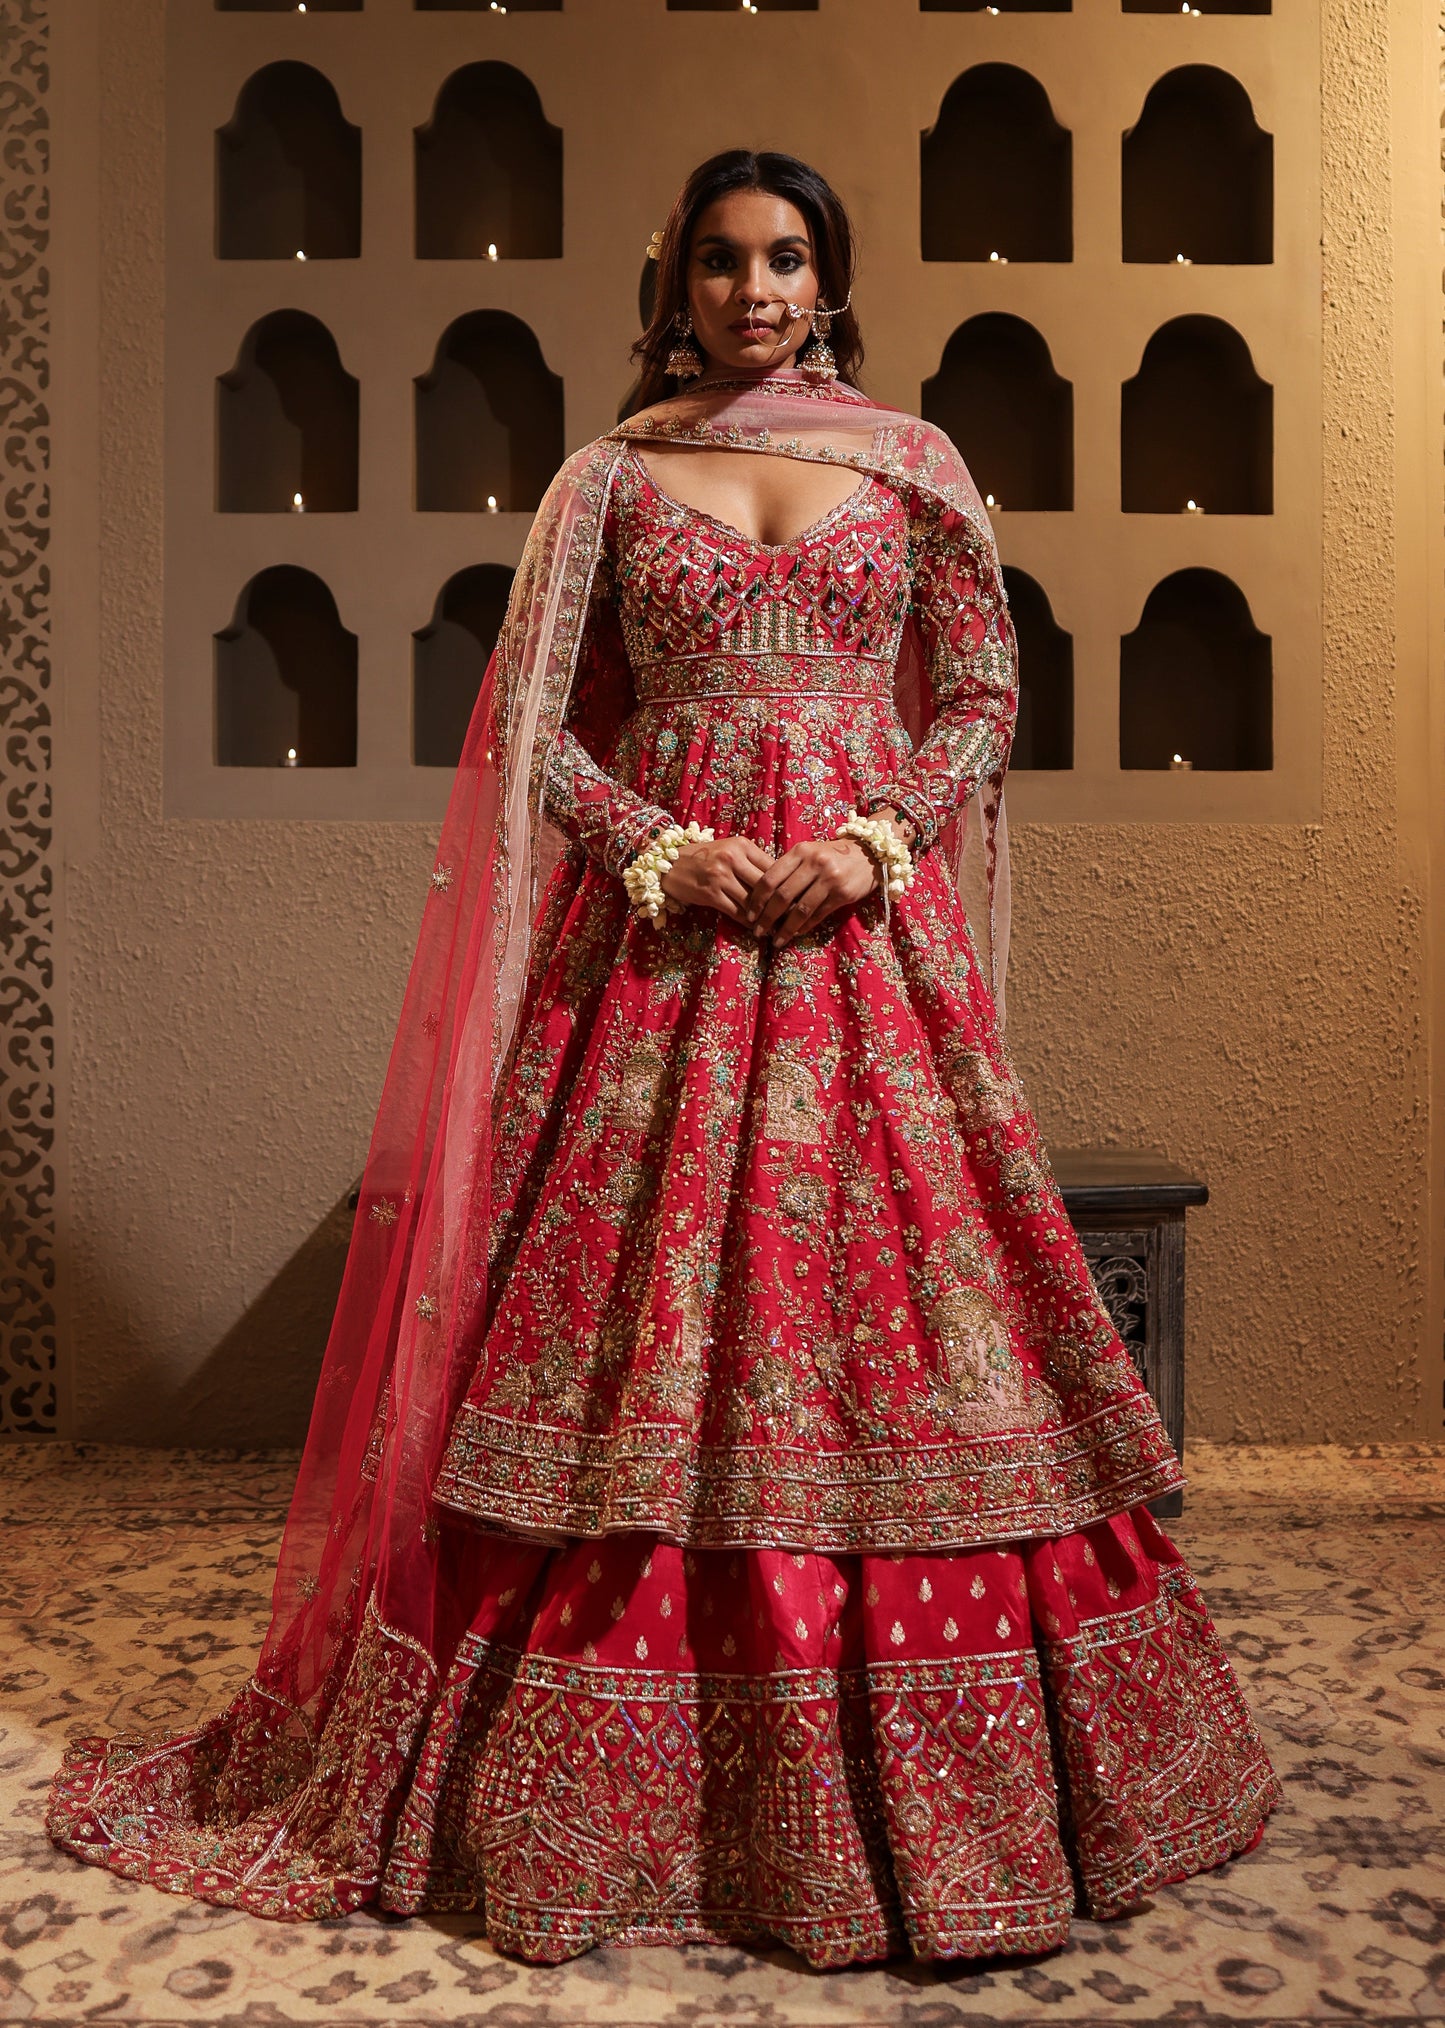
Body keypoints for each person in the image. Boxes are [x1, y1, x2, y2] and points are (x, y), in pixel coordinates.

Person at [47, 149, 1280, 1969]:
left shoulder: (916, 466)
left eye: (784, 259)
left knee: (906, 1331)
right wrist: (653, 850)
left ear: (827, 280)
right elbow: (536, 723)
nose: (754, 290)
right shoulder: (606, 479)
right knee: (617, 1333)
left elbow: (982, 689)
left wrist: (874, 840)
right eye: (721, 260)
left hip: (860, 944)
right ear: (675, 282)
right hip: (664, 948)